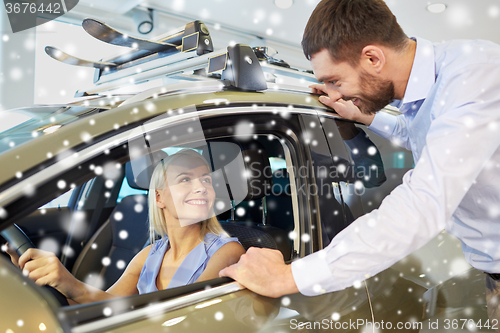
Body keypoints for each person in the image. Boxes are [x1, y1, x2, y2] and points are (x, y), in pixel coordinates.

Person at [219, 0, 500, 325]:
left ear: (372, 58)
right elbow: (416, 134)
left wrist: (290, 278)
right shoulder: (428, 87)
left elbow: (425, 202)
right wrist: (363, 116)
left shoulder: (473, 77)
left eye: (335, 80)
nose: (333, 92)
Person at [8, 149, 245, 303]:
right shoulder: (149, 255)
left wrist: (69, 283)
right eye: (185, 179)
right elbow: (107, 305)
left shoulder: (227, 252)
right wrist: (40, 280)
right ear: (159, 198)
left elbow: (190, 317)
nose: (201, 187)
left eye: (206, 179)